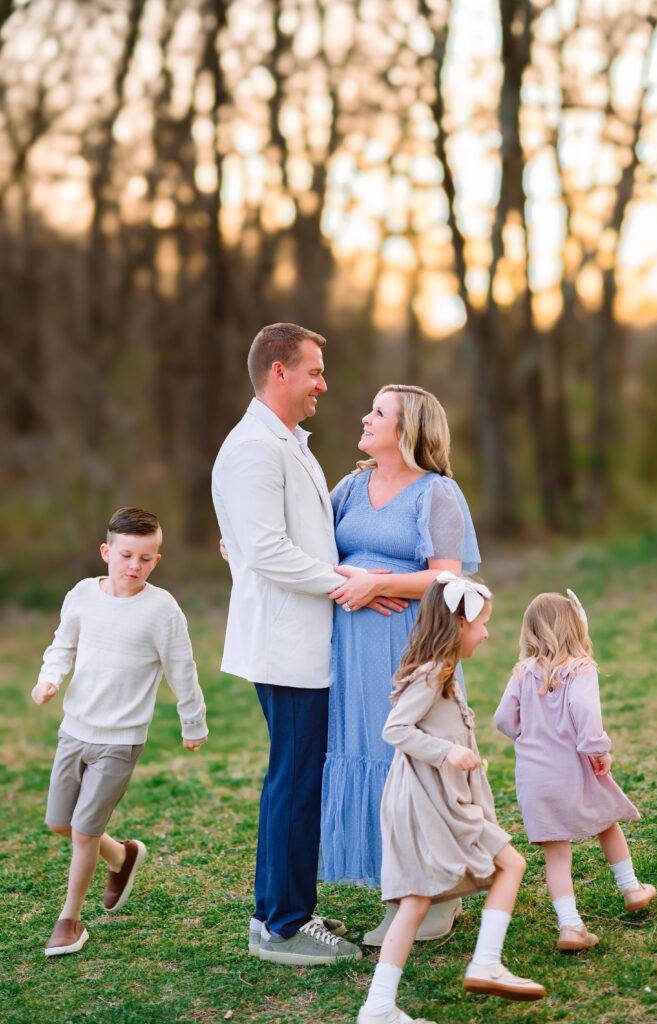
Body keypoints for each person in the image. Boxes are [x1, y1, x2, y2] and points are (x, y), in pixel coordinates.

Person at [212, 323, 399, 966]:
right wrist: (354, 587)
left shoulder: (290, 443)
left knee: (297, 778)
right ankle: (283, 926)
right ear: (279, 372)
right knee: (295, 781)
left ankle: (283, 911)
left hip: (308, 641)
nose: (324, 383)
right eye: (315, 371)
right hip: (287, 646)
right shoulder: (253, 450)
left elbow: (266, 540)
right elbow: (265, 550)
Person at [320, 385, 480, 945]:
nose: (365, 417)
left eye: (379, 412)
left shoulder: (437, 494)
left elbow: (449, 577)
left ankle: (440, 893)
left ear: (407, 431)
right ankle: (400, 891)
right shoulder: (349, 487)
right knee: (370, 756)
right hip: (353, 652)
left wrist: (380, 582)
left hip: (410, 647)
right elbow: (314, 556)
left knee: (413, 760)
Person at [358, 574, 546, 1024]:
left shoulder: (441, 671)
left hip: (441, 800)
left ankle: (380, 1006)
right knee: (509, 865)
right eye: (481, 623)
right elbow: (395, 730)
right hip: (428, 802)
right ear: (458, 624)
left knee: (418, 901)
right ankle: (483, 963)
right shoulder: (432, 674)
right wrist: (449, 752)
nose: (486, 633)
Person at [32, 506, 208, 957]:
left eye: (146, 558)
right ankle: (123, 856)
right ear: (107, 552)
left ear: (157, 560)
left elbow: (181, 670)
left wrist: (193, 722)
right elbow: (62, 644)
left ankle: (69, 920)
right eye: (127, 555)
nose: (135, 566)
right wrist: (49, 678)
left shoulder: (161, 609)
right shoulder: (82, 595)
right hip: (74, 730)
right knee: (60, 824)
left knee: (84, 832)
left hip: (120, 739)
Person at [494, 589, 655, 952]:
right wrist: (598, 750)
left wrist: (527, 735)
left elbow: (503, 719)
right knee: (606, 821)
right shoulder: (581, 670)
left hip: (535, 778)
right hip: (575, 769)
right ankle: (631, 888)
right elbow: (586, 715)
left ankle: (570, 926)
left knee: (557, 853)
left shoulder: (522, 672)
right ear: (575, 627)